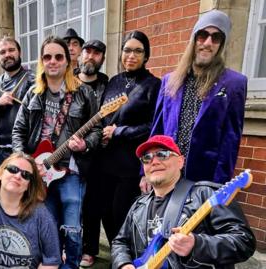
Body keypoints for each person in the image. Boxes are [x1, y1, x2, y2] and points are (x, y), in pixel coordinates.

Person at [12, 36, 101, 269]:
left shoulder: (83, 93)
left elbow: (97, 129)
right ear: (42, 61)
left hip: (71, 170)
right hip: (40, 171)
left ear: (68, 61)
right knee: (48, 227)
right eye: (47, 57)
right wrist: (25, 163)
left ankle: (71, 266)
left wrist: (85, 144)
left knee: (72, 229)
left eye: (58, 56)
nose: (53, 61)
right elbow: (18, 131)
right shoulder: (33, 93)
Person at [111, 135, 256, 269]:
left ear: (180, 161)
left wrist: (198, 244)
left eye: (163, 154)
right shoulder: (138, 205)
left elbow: (244, 241)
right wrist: (124, 264)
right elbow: (120, 242)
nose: (154, 161)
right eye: (146, 158)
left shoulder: (206, 195)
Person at [80, 31, 161, 267]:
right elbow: (105, 116)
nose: (131, 55)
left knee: (120, 214)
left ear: (146, 56)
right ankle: (90, 250)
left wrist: (119, 132)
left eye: (138, 51)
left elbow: (153, 126)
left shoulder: (152, 85)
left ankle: (123, 258)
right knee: (93, 207)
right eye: (127, 50)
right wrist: (102, 135)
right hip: (103, 159)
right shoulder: (114, 81)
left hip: (129, 163)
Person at [150, 10, 247, 185]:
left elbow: (230, 141)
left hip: (203, 178)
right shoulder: (170, 81)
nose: (208, 43)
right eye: (203, 35)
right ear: (194, 39)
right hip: (168, 172)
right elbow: (157, 130)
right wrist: (147, 170)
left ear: (221, 44)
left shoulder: (234, 83)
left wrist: (218, 185)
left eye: (216, 37)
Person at [0, 36, 35, 170]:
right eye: (2, 52)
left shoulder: (34, 79)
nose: (7, 54)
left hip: (28, 150)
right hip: (1, 152)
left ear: (19, 52)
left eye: (11, 50)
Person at [77, 39, 109, 107]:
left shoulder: (108, 88)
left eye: (96, 53)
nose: (91, 57)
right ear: (81, 55)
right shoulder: (67, 82)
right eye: (88, 52)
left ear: (103, 60)